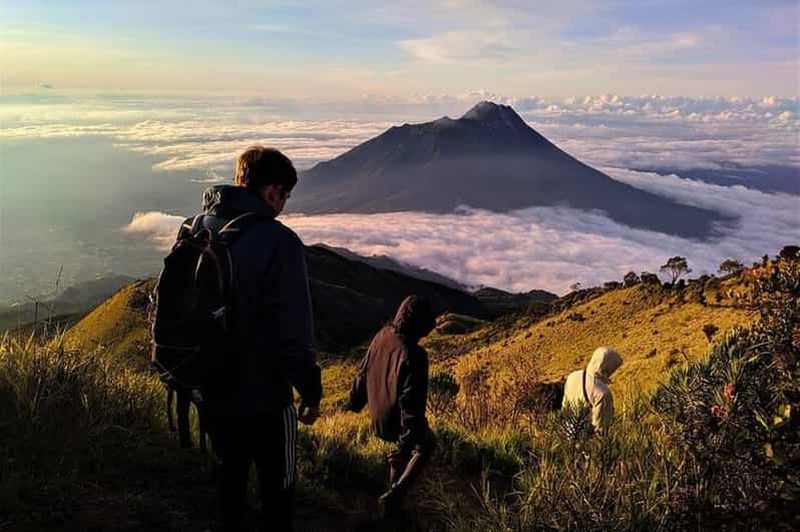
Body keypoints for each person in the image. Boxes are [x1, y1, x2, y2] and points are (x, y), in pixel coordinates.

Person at [177, 146, 321, 531]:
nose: (284, 204)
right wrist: (310, 388)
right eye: (285, 195)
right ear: (272, 191)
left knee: (229, 482)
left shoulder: (194, 228)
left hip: (208, 387)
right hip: (265, 397)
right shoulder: (279, 241)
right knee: (279, 489)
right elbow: (294, 329)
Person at [344, 295, 438, 521]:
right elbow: (412, 405)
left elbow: (362, 373)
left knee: (404, 442)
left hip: (377, 416)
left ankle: (392, 499)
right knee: (427, 444)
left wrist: (354, 404)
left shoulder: (382, 335)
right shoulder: (415, 356)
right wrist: (406, 443)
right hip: (394, 422)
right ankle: (395, 495)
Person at [562, 346, 623, 434]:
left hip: (568, 434)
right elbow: (601, 429)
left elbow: (565, 407)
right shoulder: (602, 393)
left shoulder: (572, 376)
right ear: (609, 367)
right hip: (586, 441)